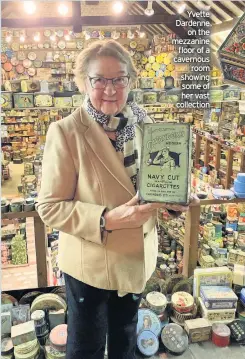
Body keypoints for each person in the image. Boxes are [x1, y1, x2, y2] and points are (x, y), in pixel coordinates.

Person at [36, 40, 196, 359]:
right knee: (87, 348)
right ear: (84, 82)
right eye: (100, 80)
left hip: (135, 264)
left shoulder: (145, 127)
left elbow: (151, 190)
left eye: (119, 79)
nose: (110, 89)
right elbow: (49, 207)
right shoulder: (66, 133)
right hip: (91, 266)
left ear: (130, 81)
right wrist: (106, 219)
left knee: (125, 339)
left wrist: (173, 202)